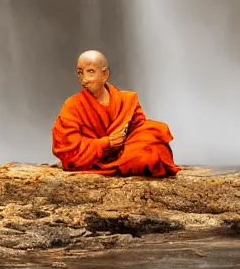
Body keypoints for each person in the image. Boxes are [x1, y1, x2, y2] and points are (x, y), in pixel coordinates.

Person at [51, 50, 179, 177]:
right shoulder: (72, 105)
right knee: (73, 159)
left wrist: (125, 138)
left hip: (123, 153)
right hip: (92, 158)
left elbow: (138, 128)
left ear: (105, 74)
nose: (84, 80)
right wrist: (107, 143)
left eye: (90, 72)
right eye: (80, 73)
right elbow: (67, 146)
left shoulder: (126, 100)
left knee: (153, 142)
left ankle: (121, 161)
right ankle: (112, 163)